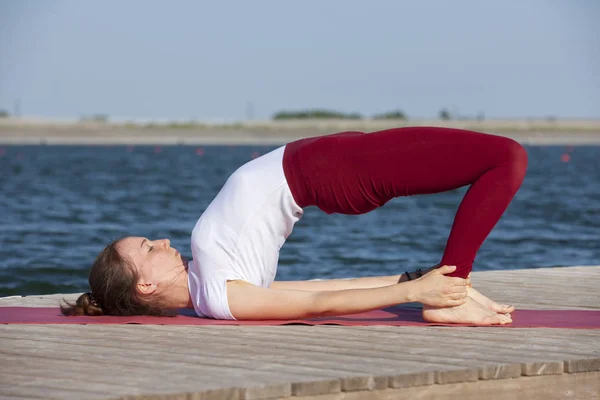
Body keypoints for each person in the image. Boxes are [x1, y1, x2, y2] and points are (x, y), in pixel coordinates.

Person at [62, 126, 528, 325]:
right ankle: (453, 292)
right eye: (147, 247)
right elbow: (317, 304)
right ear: (145, 285)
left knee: (499, 158)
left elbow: (312, 286)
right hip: (331, 170)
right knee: (504, 158)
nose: (161, 240)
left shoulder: (210, 286)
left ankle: (452, 286)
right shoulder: (221, 298)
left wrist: (409, 279)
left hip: (324, 163)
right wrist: (416, 294)